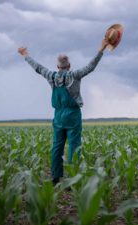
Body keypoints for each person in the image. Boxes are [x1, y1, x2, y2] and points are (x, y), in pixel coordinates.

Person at [18, 38, 109, 185]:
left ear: (57, 66)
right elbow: (91, 66)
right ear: (69, 65)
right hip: (73, 115)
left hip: (58, 115)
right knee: (74, 146)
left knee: (57, 146)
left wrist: (25, 55)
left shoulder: (51, 76)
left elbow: (38, 68)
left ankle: (55, 177)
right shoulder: (75, 75)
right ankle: (72, 179)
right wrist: (101, 49)